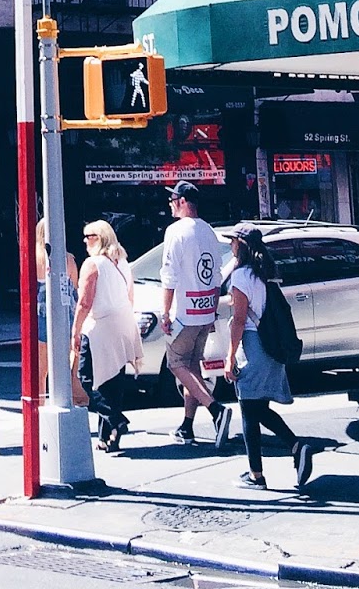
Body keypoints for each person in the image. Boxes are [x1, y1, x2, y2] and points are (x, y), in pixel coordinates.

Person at [225, 227, 316, 490]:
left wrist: (230, 357)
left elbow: (239, 320)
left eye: (233, 241)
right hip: (273, 346)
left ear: (241, 245)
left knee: (248, 410)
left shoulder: (241, 276)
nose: (230, 246)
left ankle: (258, 475)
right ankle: (295, 448)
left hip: (254, 345)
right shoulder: (266, 272)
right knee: (258, 409)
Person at [159, 180, 230, 445]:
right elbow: (216, 275)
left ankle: (216, 409)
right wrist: (211, 309)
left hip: (184, 313)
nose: (169, 204)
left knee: (176, 364)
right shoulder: (208, 231)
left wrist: (165, 313)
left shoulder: (176, 231)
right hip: (204, 311)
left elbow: (169, 276)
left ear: (182, 201)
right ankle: (187, 426)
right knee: (192, 369)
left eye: (172, 200)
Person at [71, 220, 144, 452]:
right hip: (123, 324)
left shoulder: (92, 264)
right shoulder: (122, 262)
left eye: (89, 236)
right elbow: (130, 296)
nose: (85, 240)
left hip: (100, 327)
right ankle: (108, 438)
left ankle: (116, 419)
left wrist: (75, 330)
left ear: (101, 238)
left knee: (86, 378)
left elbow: (84, 302)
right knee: (112, 382)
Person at [36, 217, 87, 410]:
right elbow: (75, 289)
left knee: (41, 371)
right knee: (64, 366)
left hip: (40, 316)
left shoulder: (34, 258)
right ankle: (67, 401)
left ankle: (40, 406)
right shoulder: (69, 259)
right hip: (66, 316)